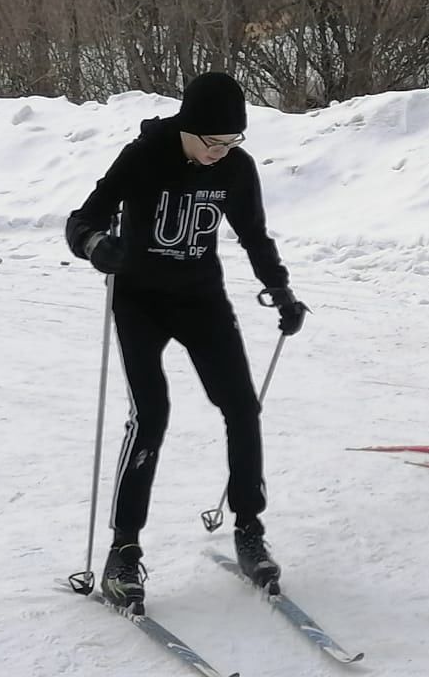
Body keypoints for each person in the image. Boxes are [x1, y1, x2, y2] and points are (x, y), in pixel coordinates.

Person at [66, 72, 308, 608]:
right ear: (189, 128)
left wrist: (281, 290)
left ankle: (249, 526)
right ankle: (123, 551)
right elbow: (83, 219)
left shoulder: (236, 170)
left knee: (242, 407)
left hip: (201, 300)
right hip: (140, 302)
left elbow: (253, 236)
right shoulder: (144, 156)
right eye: (213, 142)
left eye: (232, 143)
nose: (222, 153)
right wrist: (96, 244)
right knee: (151, 415)